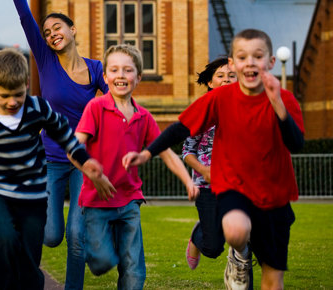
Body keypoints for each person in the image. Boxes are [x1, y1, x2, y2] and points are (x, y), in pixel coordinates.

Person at [123, 29, 304, 290]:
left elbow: (295, 144)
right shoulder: (219, 98)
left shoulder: (284, 99)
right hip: (233, 186)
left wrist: (277, 106)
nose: (250, 62)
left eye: (258, 56)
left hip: (274, 195)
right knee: (235, 230)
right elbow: (181, 129)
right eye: (242, 57)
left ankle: (243, 259)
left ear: (270, 62)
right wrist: (147, 152)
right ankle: (239, 257)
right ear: (233, 63)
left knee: (273, 279)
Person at [0, 0, 108, 289]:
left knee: (76, 235)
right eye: (48, 31)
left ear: (73, 30)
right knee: (52, 235)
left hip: (83, 160)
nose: (52, 33)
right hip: (51, 160)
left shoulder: (97, 70)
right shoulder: (44, 58)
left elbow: (115, 105)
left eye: (58, 28)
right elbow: (25, 16)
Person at [0, 48, 111, 290]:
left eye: (18, 95)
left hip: (33, 195)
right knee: (5, 238)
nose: (12, 102)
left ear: (27, 85)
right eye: (5, 96)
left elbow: (64, 133)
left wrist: (84, 160)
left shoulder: (37, 109)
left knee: (29, 257)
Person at [75, 44, 197, 290]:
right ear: (106, 77)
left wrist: (188, 181)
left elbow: (167, 154)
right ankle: (98, 250)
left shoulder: (144, 117)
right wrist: (90, 171)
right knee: (102, 262)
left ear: (138, 77)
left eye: (128, 70)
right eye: (115, 70)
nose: (121, 75)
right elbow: (74, 146)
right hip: (96, 201)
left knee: (134, 270)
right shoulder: (96, 108)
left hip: (130, 201)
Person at [182, 57, 237, 269]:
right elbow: (187, 150)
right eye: (220, 76)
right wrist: (203, 170)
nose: (226, 80)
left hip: (238, 186)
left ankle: (241, 274)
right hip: (207, 186)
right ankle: (199, 235)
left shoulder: (247, 109)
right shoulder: (201, 110)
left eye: (231, 76)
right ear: (210, 82)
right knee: (213, 248)